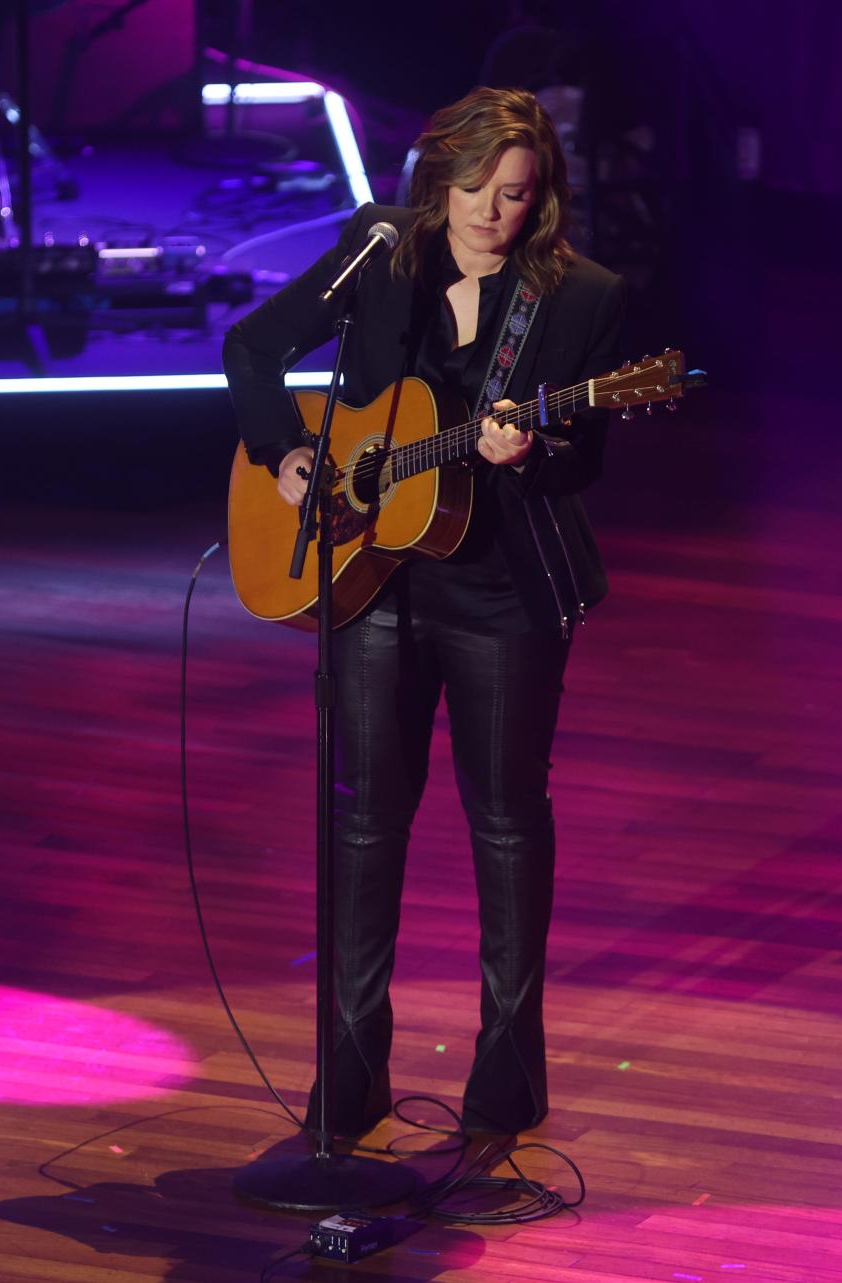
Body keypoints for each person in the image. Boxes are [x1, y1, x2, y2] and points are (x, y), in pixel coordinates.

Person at [223, 85, 625, 1138]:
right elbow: (254, 349)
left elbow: (590, 456)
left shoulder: (576, 295)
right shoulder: (380, 251)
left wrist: (536, 450)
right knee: (362, 820)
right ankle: (347, 1075)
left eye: (521, 196)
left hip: (502, 590)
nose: (499, 214)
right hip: (370, 579)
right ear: (439, 177)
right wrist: (287, 452)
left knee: (504, 820)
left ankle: (505, 1081)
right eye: (481, 191)